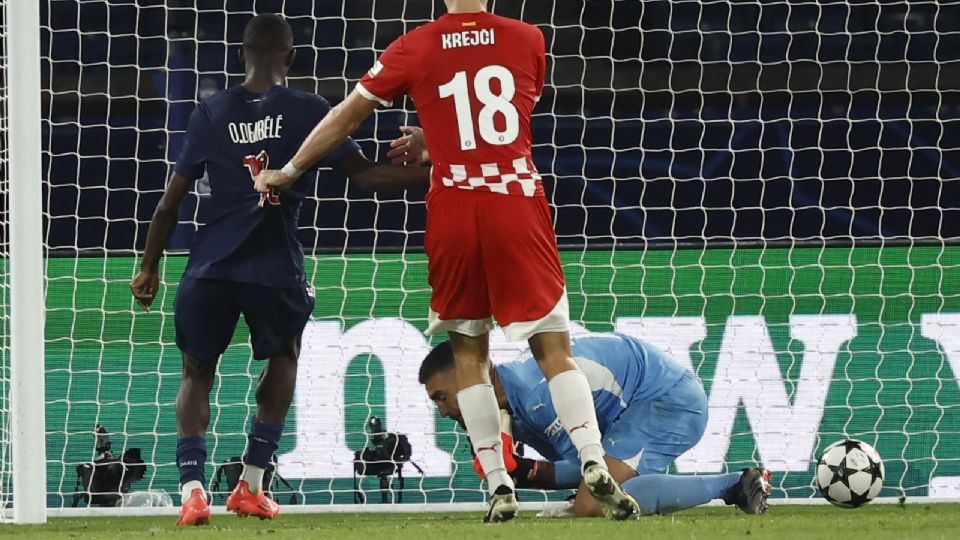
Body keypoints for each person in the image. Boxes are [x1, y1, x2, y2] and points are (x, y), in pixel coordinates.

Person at [253, 0, 638, 522]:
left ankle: (499, 483)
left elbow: (345, 116)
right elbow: (495, 125)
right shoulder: (528, 38)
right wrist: (438, 140)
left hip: (454, 205)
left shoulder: (415, 45)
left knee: (469, 355)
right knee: (552, 349)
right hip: (515, 200)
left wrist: (290, 169)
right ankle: (593, 458)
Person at [129, 14, 429, 527]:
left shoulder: (210, 110)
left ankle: (193, 492)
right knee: (285, 356)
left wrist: (149, 265)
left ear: (241, 55)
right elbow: (368, 179)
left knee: (196, 373)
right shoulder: (311, 109)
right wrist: (436, 170)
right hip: (274, 265)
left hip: (210, 266)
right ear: (290, 58)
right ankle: (250, 484)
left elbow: (169, 203)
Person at [419, 333, 773, 518]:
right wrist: (521, 471)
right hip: (639, 405)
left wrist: (524, 471)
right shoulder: (511, 400)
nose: (442, 410)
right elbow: (579, 469)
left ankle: (735, 484)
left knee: (592, 504)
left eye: (441, 396)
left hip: (667, 400)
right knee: (591, 496)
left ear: (470, 379)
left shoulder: (537, 396)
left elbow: (586, 471)